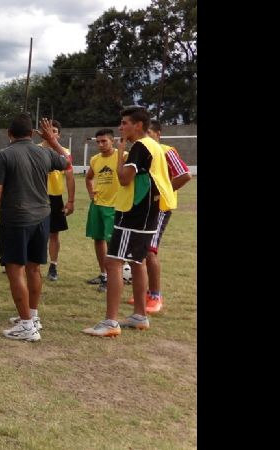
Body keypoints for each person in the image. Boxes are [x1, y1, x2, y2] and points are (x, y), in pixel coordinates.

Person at [82, 107, 176, 337]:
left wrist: (121, 152)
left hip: (132, 213)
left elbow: (124, 179)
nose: (121, 127)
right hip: (150, 213)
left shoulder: (140, 147)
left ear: (138, 125)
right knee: (137, 262)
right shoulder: (155, 147)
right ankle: (139, 316)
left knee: (113, 262)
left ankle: (110, 322)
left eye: (125, 123)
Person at [0, 114, 71, 342]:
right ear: (32, 134)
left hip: (16, 221)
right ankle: (32, 316)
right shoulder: (45, 152)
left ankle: (27, 327)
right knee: (33, 269)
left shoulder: (4, 155)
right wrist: (52, 141)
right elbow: (68, 161)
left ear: (8, 134)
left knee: (15, 271)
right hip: (42, 218)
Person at [127, 119, 192, 313]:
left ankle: (155, 296)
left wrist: (164, 192)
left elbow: (185, 175)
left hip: (160, 208)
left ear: (158, 134)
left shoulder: (166, 151)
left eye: (150, 133)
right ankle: (146, 293)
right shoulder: (140, 150)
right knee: (140, 250)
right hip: (142, 208)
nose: (146, 137)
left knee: (150, 250)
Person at [84, 129, 124, 293]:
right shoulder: (95, 159)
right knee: (98, 239)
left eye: (104, 141)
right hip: (98, 204)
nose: (100, 145)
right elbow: (88, 178)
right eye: (98, 142)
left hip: (114, 206)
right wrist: (91, 193)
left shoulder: (123, 156)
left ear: (112, 141)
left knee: (111, 243)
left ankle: (112, 278)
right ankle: (103, 274)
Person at [41, 120, 75, 281]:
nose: (51, 133)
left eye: (54, 130)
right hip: (37, 197)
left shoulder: (64, 153)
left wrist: (71, 201)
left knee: (53, 234)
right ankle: (24, 262)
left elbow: (69, 177)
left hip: (55, 198)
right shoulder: (35, 149)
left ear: (58, 134)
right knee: (32, 231)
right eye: (48, 130)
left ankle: (53, 266)